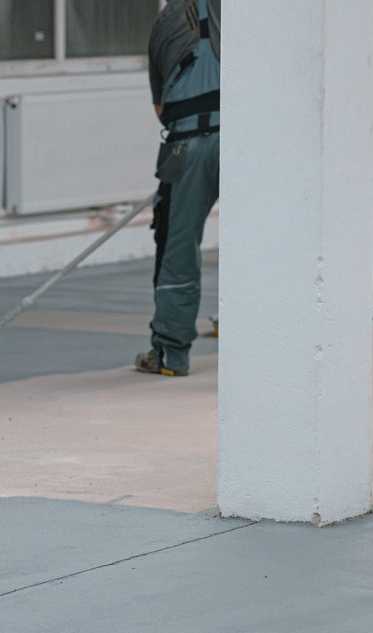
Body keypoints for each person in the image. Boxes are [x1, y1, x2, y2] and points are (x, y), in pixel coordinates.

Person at [137, 0, 220, 377]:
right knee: (264, 240)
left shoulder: (162, 24)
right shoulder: (249, 13)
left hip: (183, 145)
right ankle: (262, 335)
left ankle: (170, 353)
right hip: (247, 139)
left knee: (175, 241)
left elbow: (160, 107)